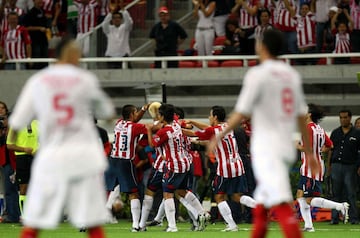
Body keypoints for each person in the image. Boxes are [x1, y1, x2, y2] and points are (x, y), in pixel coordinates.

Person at [207, 29, 319, 238]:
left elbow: (241, 112)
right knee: (265, 199)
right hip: (285, 146)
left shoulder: (258, 74)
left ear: (263, 46)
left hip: (266, 146)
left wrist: (219, 136)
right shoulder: (291, 74)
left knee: (281, 202)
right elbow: (300, 115)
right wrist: (310, 153)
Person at [7, 37, 115, 238]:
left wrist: (12, 137)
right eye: (78, 52)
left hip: (52, 154)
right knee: (92, 221)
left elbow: (17, 121)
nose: (80, 56)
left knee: (34, 222)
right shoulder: (85, 79)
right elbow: (107, 112)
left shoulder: (38, 81)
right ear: (69, 53)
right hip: (84, 154)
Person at [183, 105, 257, 232]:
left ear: (215, 117)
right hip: (238, 165)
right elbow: (208, 129)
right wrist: (193, 122)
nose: (209, 117)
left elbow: (195, 133)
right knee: (236, 196)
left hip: (225, 167)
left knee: (219, 197)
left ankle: (232, 225)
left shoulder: (214, 130)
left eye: (210, 115)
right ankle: (259, 206)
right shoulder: (228, 126)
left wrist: (177, 129)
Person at [146, 104, 207, 232]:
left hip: (174, 165)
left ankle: (172, 226)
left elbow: (152, 144)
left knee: (167, 194)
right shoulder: (176, 125)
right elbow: (188, 128)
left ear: (162, 116)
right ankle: (202, 213)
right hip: (185, 162)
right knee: (182, 191)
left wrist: (148, 130)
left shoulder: (165, 131)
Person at [296, 103, 349, 232]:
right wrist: (319, 151)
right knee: (300, 195)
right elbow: (330, 145)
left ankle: (340, 206)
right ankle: (308, 226)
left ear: (309, 114)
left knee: (309, 199)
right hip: (315, 165)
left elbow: (307, 148)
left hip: (310, 167)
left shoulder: (307, 128)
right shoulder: (319, 128)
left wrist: (296, 146)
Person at [106, 104, 148, 232]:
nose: (137, 115)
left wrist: (143, 110)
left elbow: (134, 120)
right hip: (125, 162)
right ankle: (136, 225)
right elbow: (152, 128)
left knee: (103, 191)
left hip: (112, 160)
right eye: (135, 112)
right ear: (131, 114)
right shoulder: (136, 127)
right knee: (133, 193)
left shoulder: (119, 123)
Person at [327, 109, 360, 225]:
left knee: (351, 193)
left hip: (350, 166)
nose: (343, 119)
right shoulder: (335, 132)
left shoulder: (357, 133)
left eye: (345, 117)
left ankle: (353, 218)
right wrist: (329, 166)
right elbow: (331, 150)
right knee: (336, 193)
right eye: (341, 117)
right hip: (336, 166)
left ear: (350, 118)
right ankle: (334, 218)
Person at [6, 119, 39, 216]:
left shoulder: (38, 123)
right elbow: (9, 145)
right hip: (22, 158)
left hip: (37, 157)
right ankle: (25, 216)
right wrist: (24, 149)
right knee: (24, 187)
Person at [0, 102, 20, 223]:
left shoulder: (12, 122)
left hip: (10, 159)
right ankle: (10, 212)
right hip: (3, 158)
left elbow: (11, 140)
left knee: (10, 187)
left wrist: (7, 126)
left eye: (2, 108)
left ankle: (13, 215)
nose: (1, 110)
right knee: (8, 187)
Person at [102, 0, 133, 69]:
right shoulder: (109, 29)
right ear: (112, 20)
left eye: (118, 18)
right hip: (111, 56)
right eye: (114, 18)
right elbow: (104, 24)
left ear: (121, 19)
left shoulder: (125, 28)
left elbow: (129, 22)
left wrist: (123, 9)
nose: (116, 19)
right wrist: (111, 12)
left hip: (124, 56)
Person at [23, 0, 49, 69]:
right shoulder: (30, 13)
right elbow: (26, 28)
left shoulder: (43, 11)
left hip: (44, 41)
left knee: (45, 61)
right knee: (36, 61)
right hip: (35, 42)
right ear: (34, 1)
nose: (40, 1)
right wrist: (39, 28)